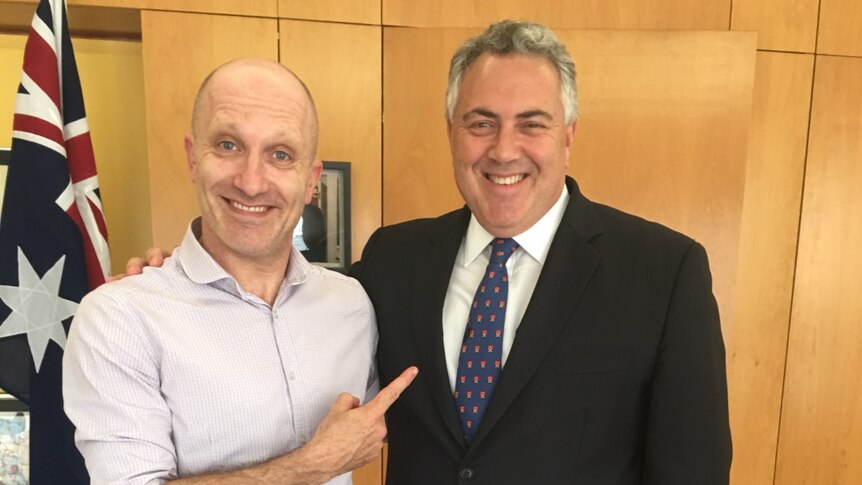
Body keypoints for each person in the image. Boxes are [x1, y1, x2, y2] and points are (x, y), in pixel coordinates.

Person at [122, 20, 732, 484]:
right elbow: (281, 305)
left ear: (568, 136)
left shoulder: (663, 272)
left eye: (533, 123)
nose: (503, 149)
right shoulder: (394, 259)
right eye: (481, 122)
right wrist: (173, 280)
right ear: (451, 132)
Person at [62, 59, 417, 485]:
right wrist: (311, 466)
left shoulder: (352, 304)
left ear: (311, 182)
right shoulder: (119, 318)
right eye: (228, 145)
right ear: (194, 158)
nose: (251, 182)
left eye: (281, 155)